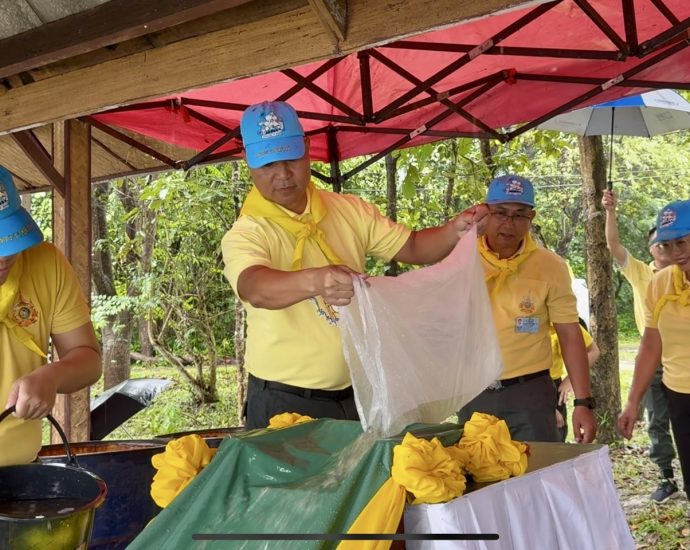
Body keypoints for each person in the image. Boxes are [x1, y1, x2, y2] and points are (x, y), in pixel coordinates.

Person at [221, 101, 488, 429]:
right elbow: (255, 288)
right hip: (283, 399)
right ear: (247, 161)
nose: (283, 174)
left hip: (358, 394)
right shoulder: (248, 232)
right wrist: (317, 281)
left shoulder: (348, 210)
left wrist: (454, 231)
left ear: (307, 147)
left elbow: (413, 247)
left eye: (291, 158)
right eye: (268, 164)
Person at [456, 175, 597, 443]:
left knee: (538, 466)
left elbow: (570, 335)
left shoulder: (551, 266)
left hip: (530, 394)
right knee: (477, 467)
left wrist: (583, 402)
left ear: (531, 218)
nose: (508, 223)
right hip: (473, 391)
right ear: (485, 212)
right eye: (500, 213)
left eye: (519, 215)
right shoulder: (461, 257)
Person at [0, 166, 101, 466]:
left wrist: (52, 375)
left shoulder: (45, 262)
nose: (3, 258)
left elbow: (88, 359)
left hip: (21, 470)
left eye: (8, 240)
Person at [603, 189, 678, 502]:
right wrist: (610, 211)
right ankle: (666, 477)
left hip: (682, 360)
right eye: (659, 243)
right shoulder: (642, 273)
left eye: (672, 242)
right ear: (651, 249)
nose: (665, 247)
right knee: (656, 420)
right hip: (654, 361)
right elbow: (613, 245)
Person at [618, 199, 690, 501]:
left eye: (682, 242)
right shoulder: (660, 283)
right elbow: (650, 346)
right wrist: (633, 402)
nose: (676, 252)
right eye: (668, 245)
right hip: (679, 394)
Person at [550, 319, 600, 442]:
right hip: (517, 389)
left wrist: (570, 379)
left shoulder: (558, 320)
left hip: (551, 388)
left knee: (553, 440)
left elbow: (593, 351)